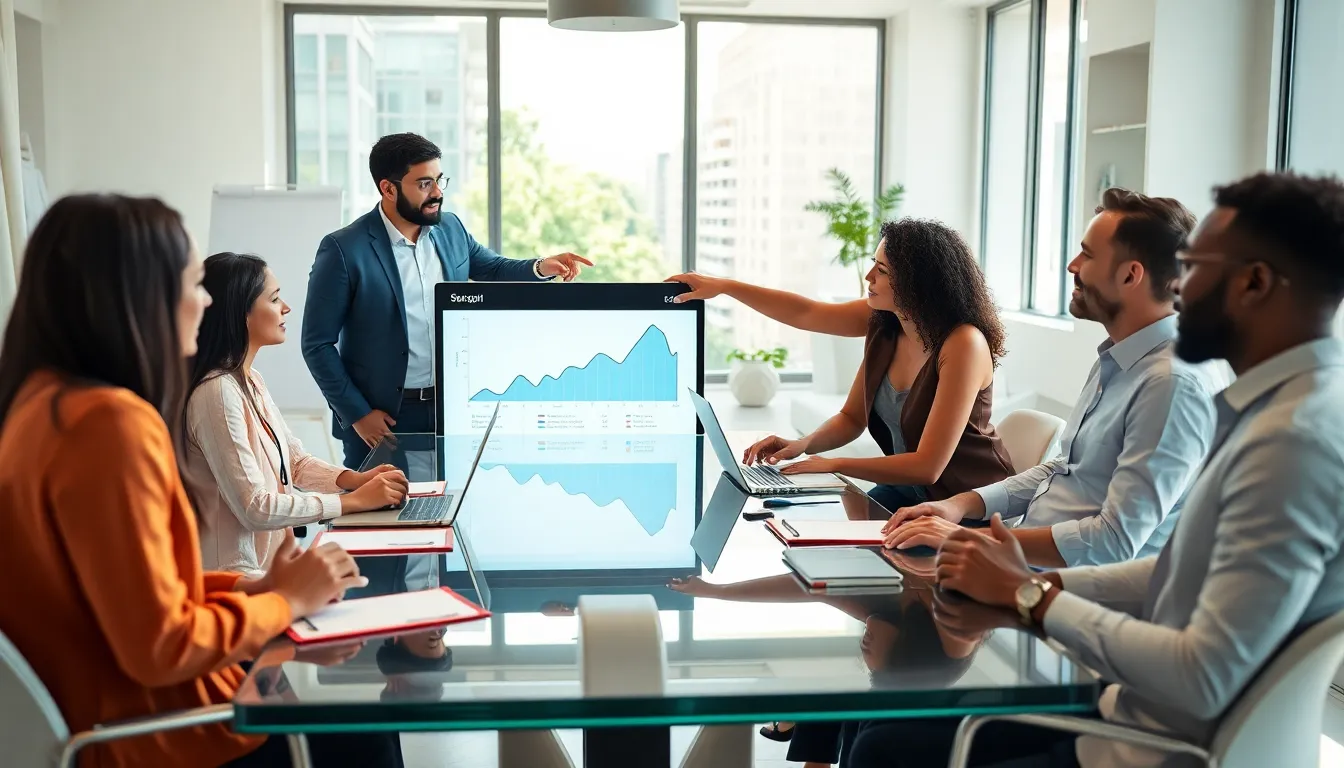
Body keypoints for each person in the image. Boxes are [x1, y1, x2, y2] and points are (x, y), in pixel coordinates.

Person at [848, 171, 1344, 768]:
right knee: (883, 725)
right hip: (1129, 704)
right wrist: (1018, 588)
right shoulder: (1276, 406)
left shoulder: (1289, 440)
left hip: (1147, 745)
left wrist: (1029, 596)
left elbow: (1203, 673)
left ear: (1254, 283)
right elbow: (1178, 569)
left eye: (1195, 264)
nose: (1178, 283)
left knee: (886, 745)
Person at [0, 194, 401, 767]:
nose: (205, 300)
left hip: (108, 708)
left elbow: (146, 598)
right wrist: (284, 604)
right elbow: (160, 646)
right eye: (193, 283)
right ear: (136, 297)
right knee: (368, 727)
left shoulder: (36, 410)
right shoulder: (109, 424)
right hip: (154, 729)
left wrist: (259, 595)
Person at [883, 189, 1222, 568]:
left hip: (1066, 596)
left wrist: (967, 539)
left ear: (1131, 275)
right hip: (1020, 567)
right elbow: (1065, 468)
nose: (1072, 265)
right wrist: (959, 505)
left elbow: (1113, 542)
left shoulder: (1171, 385)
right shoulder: (1119, 357)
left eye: (1088, 254)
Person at [302, 132, 594, 469]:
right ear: (388, 188)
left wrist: (541, 266)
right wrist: (358, 413)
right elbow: (317, 344)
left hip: (450, 410)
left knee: (448, 509)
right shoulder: (344, 249)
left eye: (439, 181)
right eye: (424, 184)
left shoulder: (450, 228)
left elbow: (492, 268)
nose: (438, 193)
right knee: (384, 518)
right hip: (383, 421)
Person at [736, 218, 1015, 510]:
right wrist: (803, 445)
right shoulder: (885, 322)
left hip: (967, 504)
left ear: (917, 284)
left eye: (881, 271)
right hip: (909, 495)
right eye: (874, 264)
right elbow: (851, 417)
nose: (868, 276)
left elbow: (928, 466)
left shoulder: (963, 344)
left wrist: (833, 464)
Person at [185, 252, 410, 575]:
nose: (286, 308)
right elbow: (255, 507)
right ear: (241, 312)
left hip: (270, 572)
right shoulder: (217, 392)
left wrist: (355, 481)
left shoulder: (250, 380)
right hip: (236, 582)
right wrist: (351, 502)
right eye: (275, 299)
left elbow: (294, 462)